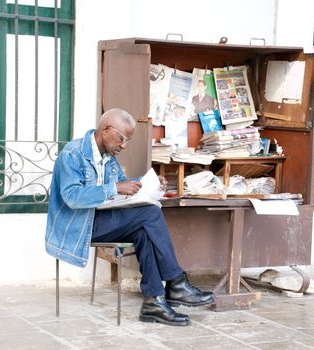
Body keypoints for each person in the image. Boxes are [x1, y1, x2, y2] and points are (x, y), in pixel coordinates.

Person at [45, 108, 214, 326]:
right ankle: (176, 282)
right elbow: (72, 197)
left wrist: (145, 185)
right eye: (122, 139)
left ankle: (154, 301)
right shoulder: (72, 154)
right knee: (150, 214)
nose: (123, 145)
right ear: (106, 129)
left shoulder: (108, 156)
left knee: (144, 229)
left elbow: (123, 186)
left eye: (127, 141)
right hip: (78, 225)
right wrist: (114, 187)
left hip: (102, 219)